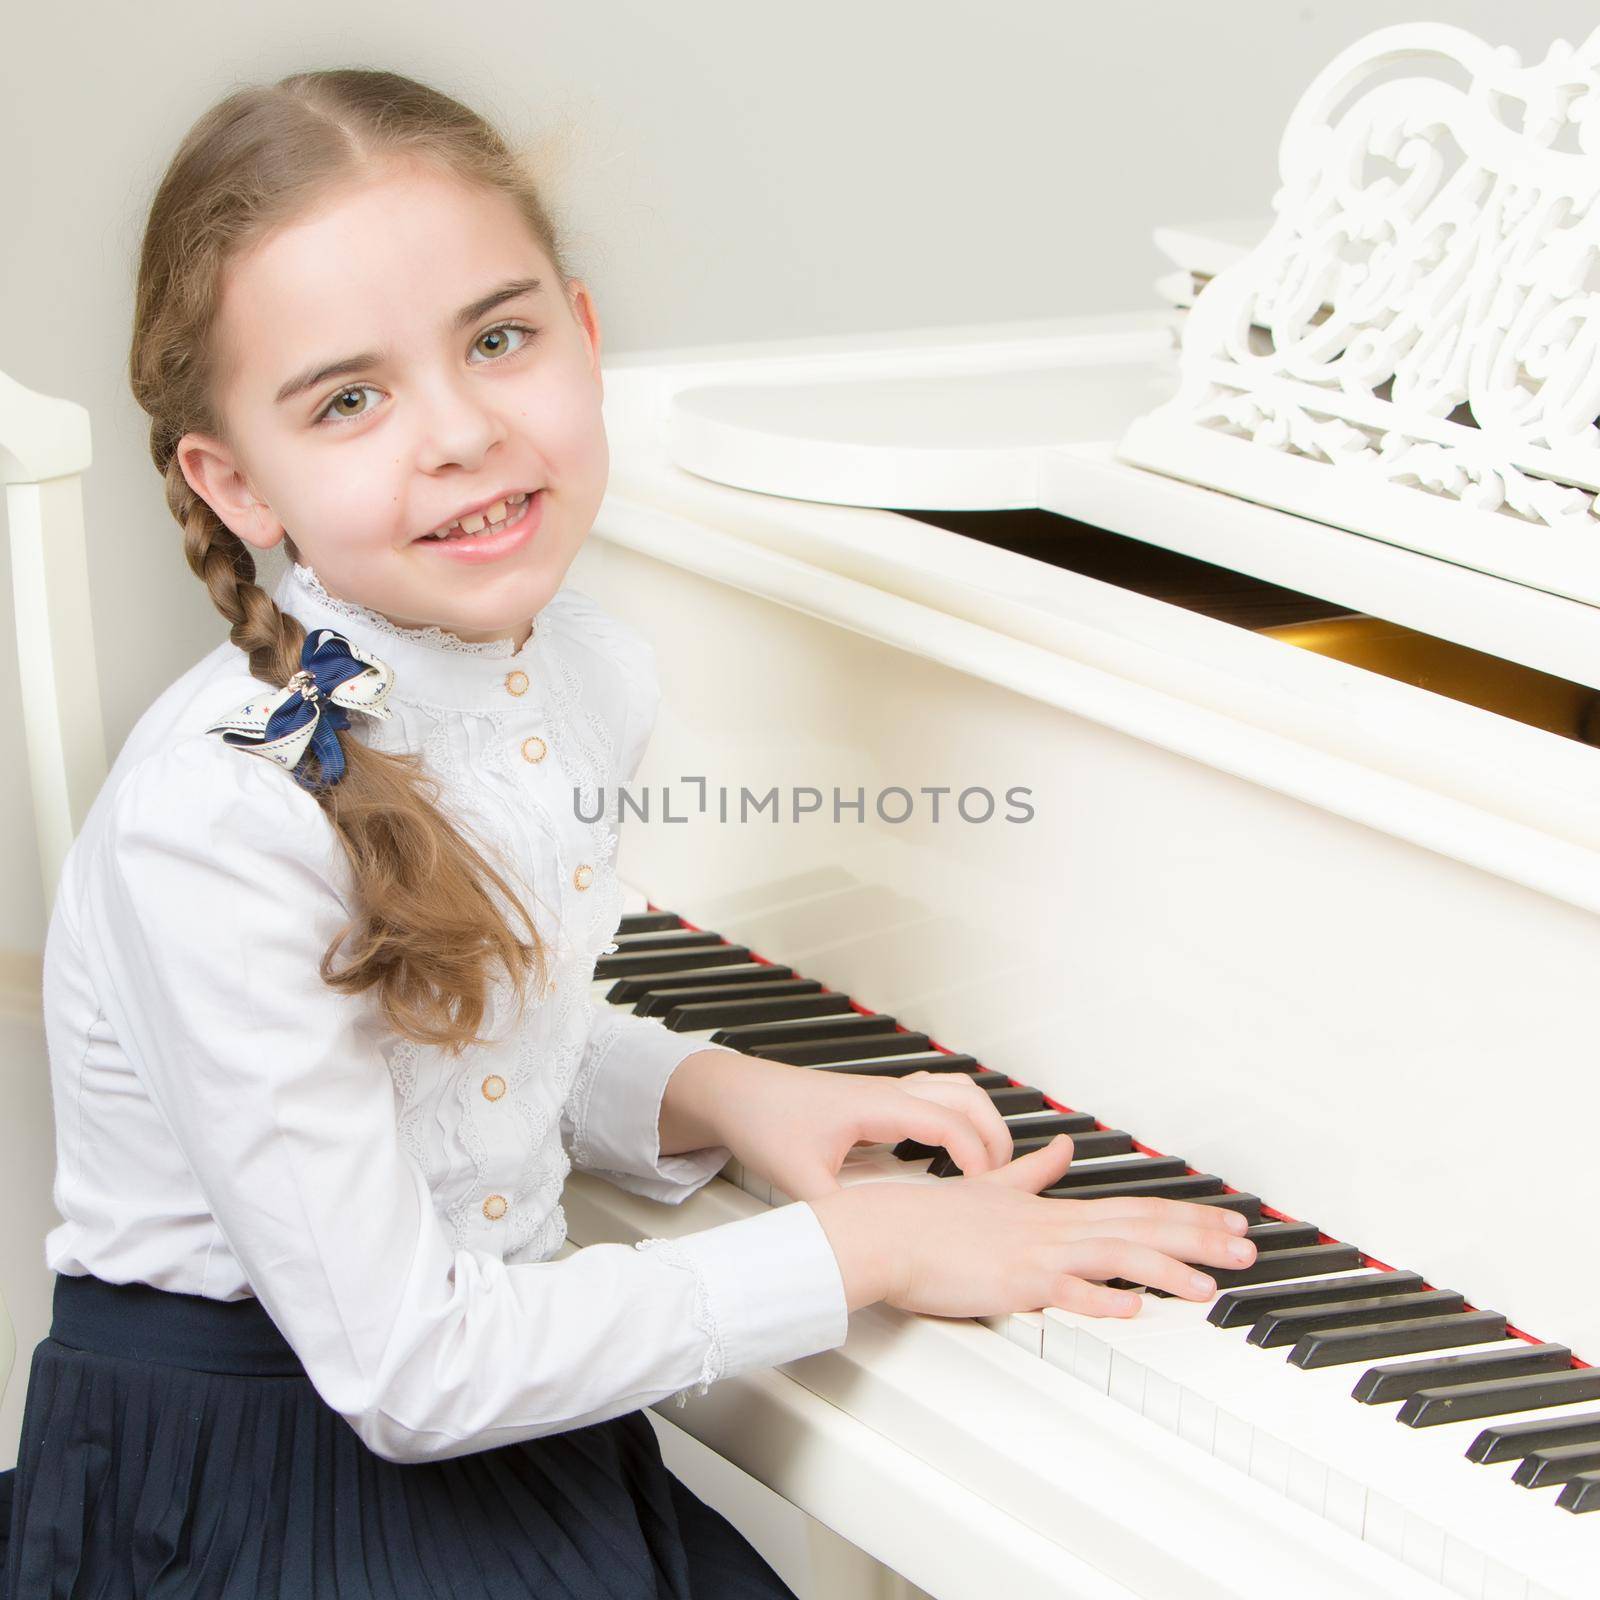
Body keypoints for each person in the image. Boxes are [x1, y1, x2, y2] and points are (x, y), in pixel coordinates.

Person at [0, 66, 1256, 1599]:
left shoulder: (584, 670)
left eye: (499, 338)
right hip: (279, 1479)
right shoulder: (219, 819)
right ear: (235, 482)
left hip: (500, 1429)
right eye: (350, 398)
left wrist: (719, 1091)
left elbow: (459, 1045)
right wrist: (864, 1253)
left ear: (586, 340)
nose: (460, 430)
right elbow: (408, 1373)